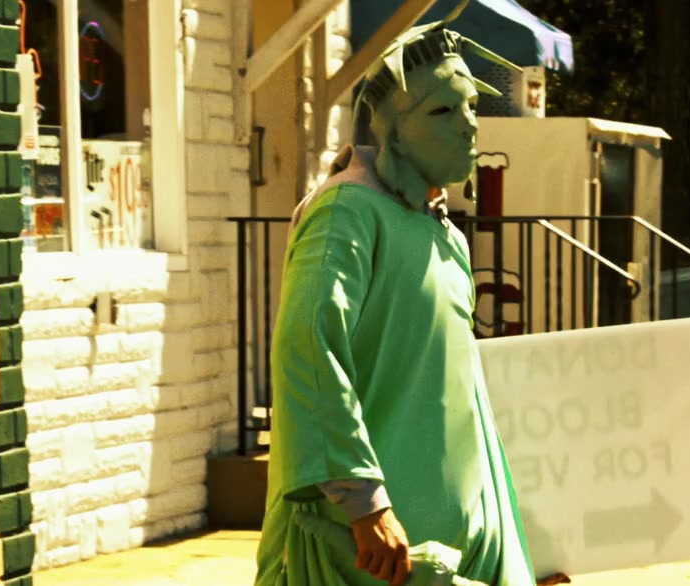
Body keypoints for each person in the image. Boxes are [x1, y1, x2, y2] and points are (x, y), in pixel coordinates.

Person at [254, 7, 548, 586]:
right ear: (389, 129)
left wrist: (520, 552)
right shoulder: (346, 213)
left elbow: (458, 399)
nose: (468, 126)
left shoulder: (447, 236)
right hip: (369, 558)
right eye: (442, 110)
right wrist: (364, 502)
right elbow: (308, 347)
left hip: (459, 558)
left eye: (472, 107)